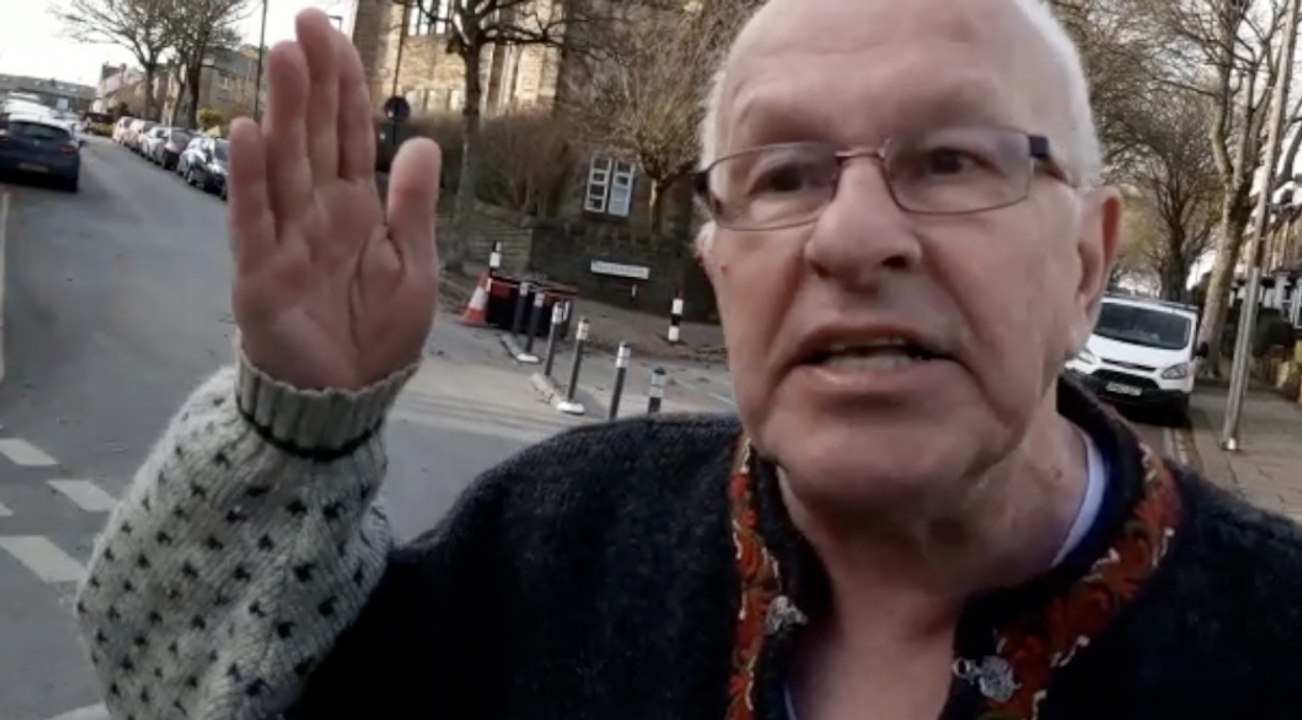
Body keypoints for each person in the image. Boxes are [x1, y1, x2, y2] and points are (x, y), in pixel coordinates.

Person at [76, 1, 1302, 719]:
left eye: (952, 161)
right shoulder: (558, 538)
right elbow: (208, 689)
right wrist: (298, 435)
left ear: (1088, 258)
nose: (854, 235)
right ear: (718, 260)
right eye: (783, 175)